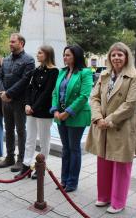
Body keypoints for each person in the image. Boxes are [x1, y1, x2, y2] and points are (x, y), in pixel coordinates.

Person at [85, 42, 136, 214]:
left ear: (126, 57)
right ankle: (104, 196)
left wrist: (109, 120)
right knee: (103, 160)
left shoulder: (135, 76)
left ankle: (118, 201)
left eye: (120, 54)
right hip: (102, 124)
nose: (116, 58)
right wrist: (97, 117)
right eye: (113, 55)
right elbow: (93, 97)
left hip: (122, 125)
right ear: (110, 57)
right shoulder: (104, 74)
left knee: (121, 164)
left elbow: (131, 104)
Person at [50, 45, 93, 193]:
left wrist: (67, 112)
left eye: (68, 55)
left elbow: (84, 96)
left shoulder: (85, 73)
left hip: (76, 116)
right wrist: (55, 109)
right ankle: (63, 180)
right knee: (66, 149)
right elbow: (55, 92)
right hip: (60, 115)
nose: (65, 57)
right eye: (64, 55)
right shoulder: (62, 72)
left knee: (74, 149)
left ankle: (72, 182)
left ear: (76, 56)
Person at [14, 45, 59, 179]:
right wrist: (27, 104)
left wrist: (34, 106)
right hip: (31, 109)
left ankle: (41, 167)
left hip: (44, 111)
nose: (37, 55)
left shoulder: (54, 71)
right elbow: (29, 88)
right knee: (30, 139)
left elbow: (47, 92)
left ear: (47, 54)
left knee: (44, 141)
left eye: (40, 53)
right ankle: (26, 165)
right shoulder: (37, 70)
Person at [0, 33, 35, 172]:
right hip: (5, 101)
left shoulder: (29, 60)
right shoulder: (5, 59)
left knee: (20, 130)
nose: (10, 44)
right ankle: (10, 157)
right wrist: (2, 93)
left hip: (19, 101)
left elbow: (25, 81)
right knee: (8, 129)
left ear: (21, 43)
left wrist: (9, 93)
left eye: (13, 42)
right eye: (10, 42)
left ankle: (21, 159)